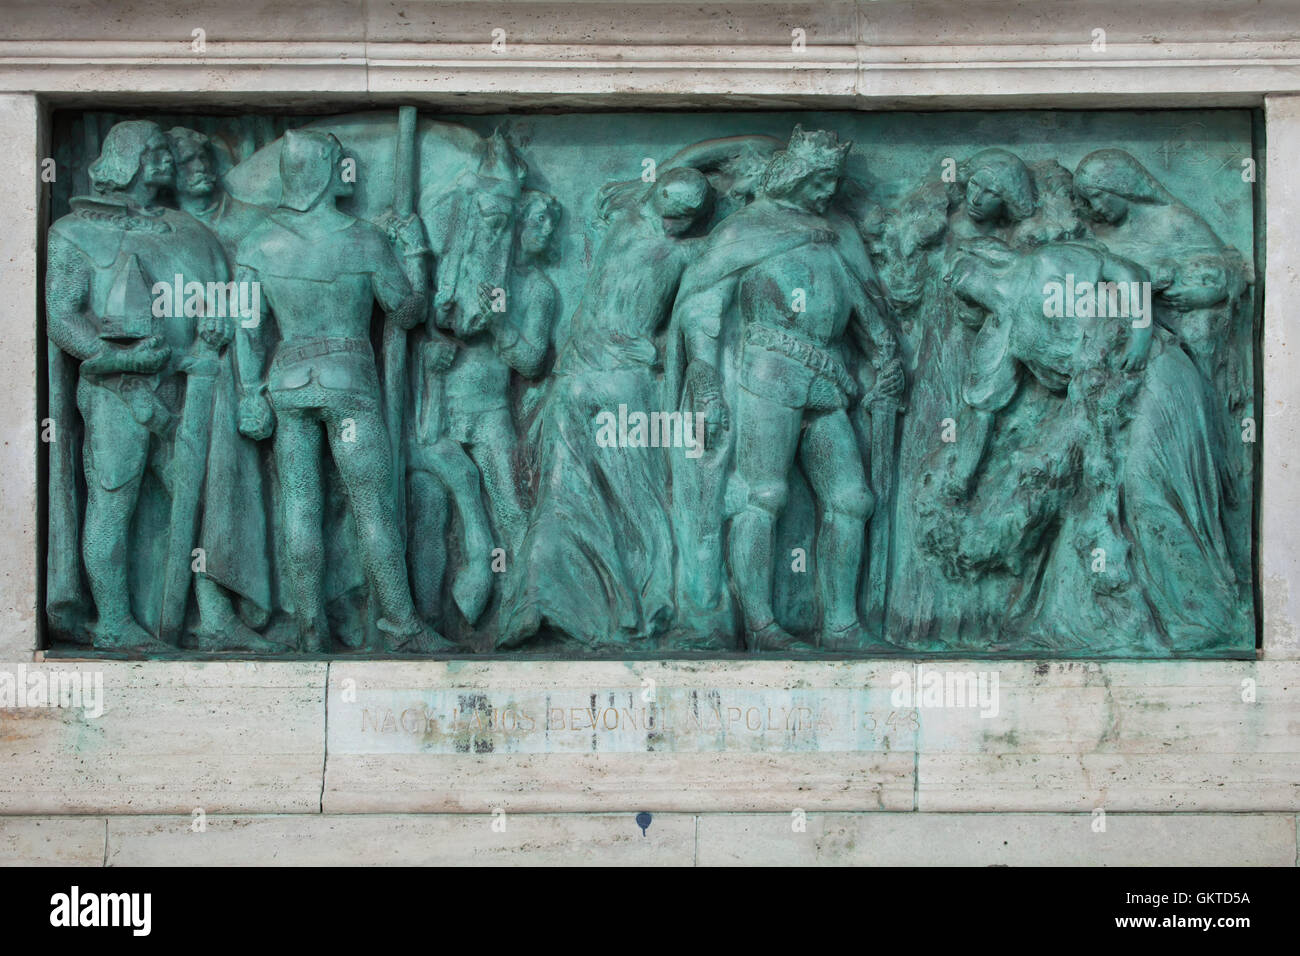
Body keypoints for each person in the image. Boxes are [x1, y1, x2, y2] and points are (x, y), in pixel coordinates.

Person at [673, 126, 904, 651]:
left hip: (827, 379)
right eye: (821, 180)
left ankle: (842, 625)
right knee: (763, 494)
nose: (827, 193)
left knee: (852, 499)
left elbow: (865, 306)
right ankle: (762, 626)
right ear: (797, 175)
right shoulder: (745, 230)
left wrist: (886, 354)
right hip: (766, 374)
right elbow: (703, 308)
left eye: (834, 182)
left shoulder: (836, 234)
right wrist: (706, 380)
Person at [234, 129, 443, 653]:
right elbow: (405, 310)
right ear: (327, 171)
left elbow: (246, 328)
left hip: (288, 387)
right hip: (348, 385)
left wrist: (250, 390)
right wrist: (416, 255)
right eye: (341, 165)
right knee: (372, 506)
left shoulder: (259, 241)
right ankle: (400, 623)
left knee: (300, 506)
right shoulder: (364, 238)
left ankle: (310, 632)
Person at [497, 167, 713, 650]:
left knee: (605, 498)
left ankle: (615, 607)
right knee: (593, 499)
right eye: (671, 211)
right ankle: (549, 602)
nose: (674, 223)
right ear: (658, 200)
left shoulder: (626, 215)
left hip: (593, 378)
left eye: (684, 216)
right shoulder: (680, 246)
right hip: (606, 381)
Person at [46, 120, 232, 650]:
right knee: (113, 502)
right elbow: (62, 316)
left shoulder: (187, 230)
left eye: (164, 152)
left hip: (185, 387)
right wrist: (105, 354)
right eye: (151, 152)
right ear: (124, 158)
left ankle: (214, 617)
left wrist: (215, 323)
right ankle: (113, 621)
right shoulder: (73, 232)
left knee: (196, 501)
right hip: (117, 392)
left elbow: (213, 300)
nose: (164, 161)